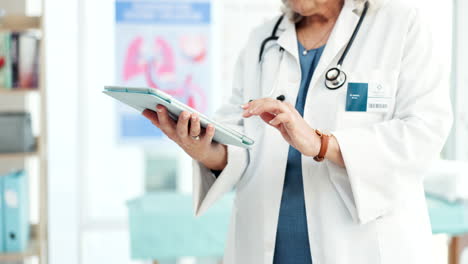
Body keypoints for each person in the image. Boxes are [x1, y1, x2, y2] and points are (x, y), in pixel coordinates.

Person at [142, 0, 453, 263]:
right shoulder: (262, 40)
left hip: (364, 245)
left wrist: (321, 144)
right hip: (266, 247)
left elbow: (424, 131)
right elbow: (240, 136)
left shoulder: (399, 26)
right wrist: (204, 150)